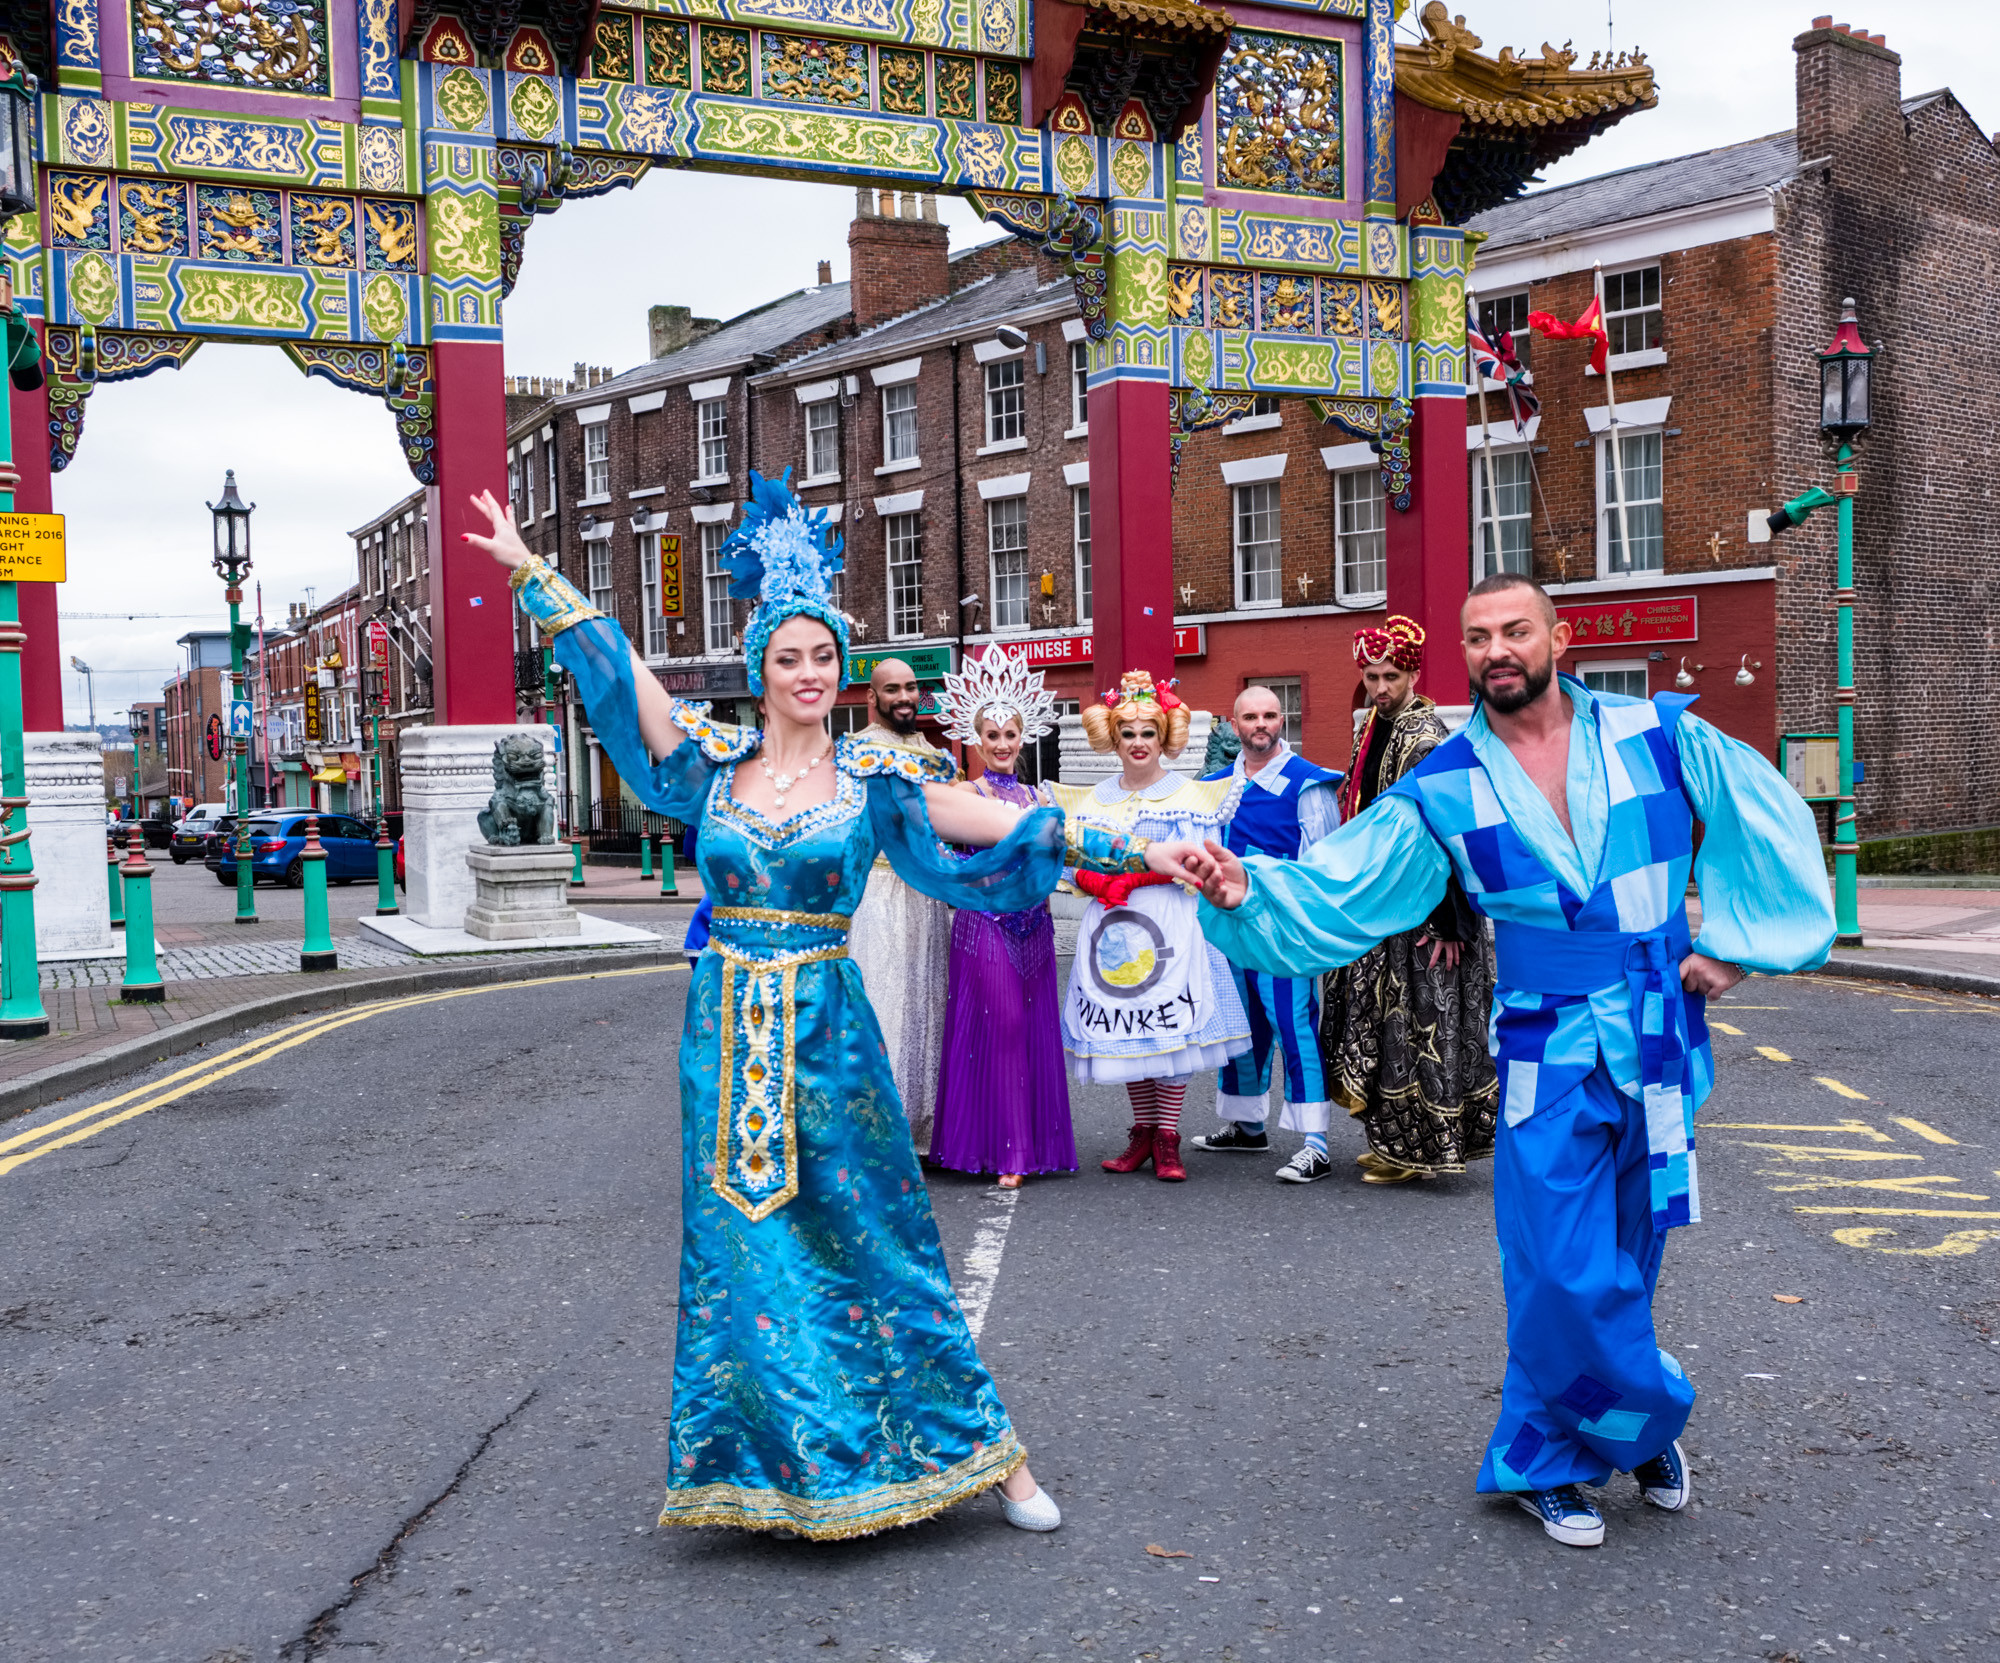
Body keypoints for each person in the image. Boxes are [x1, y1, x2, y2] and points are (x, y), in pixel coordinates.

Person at [470, 470, 1158, 1540]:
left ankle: (993, 1461)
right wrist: (532, 568)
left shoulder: (873, 777)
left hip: (831, 1036)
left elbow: (1003, 822)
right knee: (742, 1255)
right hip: (723, 1034)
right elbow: (620, 667)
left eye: (822, 656)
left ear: (840, 670)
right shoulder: (709, 766)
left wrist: (1145, 842)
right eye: (786, 656)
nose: (805, 672)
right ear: (759, 669)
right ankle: (780, 1466)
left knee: (877, 1240)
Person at [1166, 573, 1835, 1549]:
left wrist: (1736, 944)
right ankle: (1628, 1420)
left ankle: (1569, 1440)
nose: (1494, 650)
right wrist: (1243, 891)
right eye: (1476, 635)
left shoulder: (1657, 733)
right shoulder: (1442, 787)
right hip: (1541, 1050)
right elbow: (1344, 884)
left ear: (1556, 637)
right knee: (1557, 1269)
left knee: (1626, 1258)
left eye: (1513, 629)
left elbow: (1762, 812)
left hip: (1653, 1037)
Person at [1047, 670, 1251, 1183]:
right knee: (1129, 1025)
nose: (1139, 743)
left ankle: (1167, 1135)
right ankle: (1142, 1132)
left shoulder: (1188, 795)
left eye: (1148, 732)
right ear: (1113, 739)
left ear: (1164, 738)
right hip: (1112, 927)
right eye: (1129, 733)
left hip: (1170, 919)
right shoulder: (1093, 801)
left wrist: (1139, 873)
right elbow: (1070, 862)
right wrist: (1095, 881)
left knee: (1170, 1023)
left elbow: (1201, 861)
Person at [1320, 617, 1498, 1185]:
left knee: (1420, 1025)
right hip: (1382, 903)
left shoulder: (1426, 740)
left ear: (1414, 674)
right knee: (1380, 1022)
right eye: (1371, 676)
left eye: (1390, 676)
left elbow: (1448, 833)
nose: (1379, 688)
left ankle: (1422, 1149)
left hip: (1427, 911)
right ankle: (1391, 1140)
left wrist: (1450, 923)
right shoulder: (1372, 725)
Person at [929, 645, 1075, 1189]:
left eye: (1010, 734)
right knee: (1000, 1024)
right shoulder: (966, 793)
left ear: (1023, 736)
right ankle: (1004, 1150)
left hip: (1033, 924)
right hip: (983, 922)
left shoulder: (1040, 796)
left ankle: (1034, 1147)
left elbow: (1057, 856)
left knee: (1032, 1027)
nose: (1002, 744)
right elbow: (939, 852)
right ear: (977, 740)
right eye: (992, 736)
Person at [1188, 685, 1344, 1182]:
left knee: (1293, 1023)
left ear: (1283, 721)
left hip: (1282, 928)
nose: (1261, 724)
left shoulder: (1307, 783)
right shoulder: (1213, 785)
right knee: (1238, 1022)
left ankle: (1315, 1141)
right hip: (1227, 928)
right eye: (1251, 716)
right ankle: (1246, 1124)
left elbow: (1323, 863)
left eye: (1271, 715)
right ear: (1234, 726)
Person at [847, 657, 954, 1152]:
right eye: (893, 689)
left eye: (911, 687)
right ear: (873, 698)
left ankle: (923, 1131)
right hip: (881, 894)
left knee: (929, 1006)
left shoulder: (926, 747)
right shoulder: (859, 751)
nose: (906, 697)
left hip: (926, 897)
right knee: (885, 1006)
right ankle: (877, 1138)